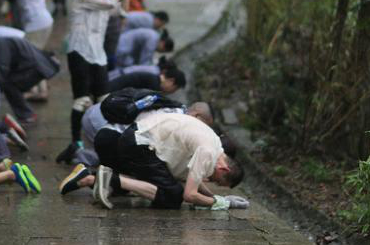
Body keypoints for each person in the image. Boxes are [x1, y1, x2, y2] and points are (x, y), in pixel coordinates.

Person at [92, 113, 246, 210]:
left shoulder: (215, 145)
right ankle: (111, 178)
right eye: (219, 182)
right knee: (174, 196)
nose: (214, 182)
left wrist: (215, 198)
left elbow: (193, 178)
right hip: (140, 143)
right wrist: (221, 203)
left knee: (172, 190)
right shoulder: (208, 151)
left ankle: (98, 177)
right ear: (224, 169)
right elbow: (190, 195)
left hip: (138, 139)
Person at [58, 102, 214, 195]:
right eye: (203, 125)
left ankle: (87, 175)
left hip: (117, 136)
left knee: (124, 188)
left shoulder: (177, 111)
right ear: (197, 115)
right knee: (149, 181)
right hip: (118, 138)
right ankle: (89, 175)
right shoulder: (181, 120)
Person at [67, 0, 131, 145]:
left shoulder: (105, 3)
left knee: (104, 99)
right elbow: (109, 3)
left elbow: (121, 11)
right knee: (82, 100)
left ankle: (104, 140)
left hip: (98, 55)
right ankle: (75, 142)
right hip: (79, 52)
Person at [0, 27, 60, 124]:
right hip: (34, 66)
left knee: (8, 84)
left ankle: (27, 115)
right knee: (8, 83)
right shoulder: (0, 43)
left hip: (36, 67)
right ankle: (26, 113)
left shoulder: (1, 44)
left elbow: (1, 69)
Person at [84, 0, 128, 69]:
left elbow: (125, 3)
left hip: (112, 24)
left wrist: (123, 20)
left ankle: (109, 76)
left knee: (110, 54)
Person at [107, 63, 186, 94]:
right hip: (110, 91)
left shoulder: (154, 78)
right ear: (171, 81)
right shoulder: (154, 85)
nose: (172, 92)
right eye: (174, 89)